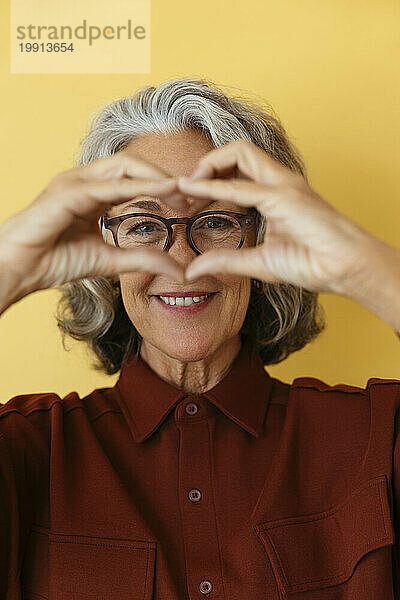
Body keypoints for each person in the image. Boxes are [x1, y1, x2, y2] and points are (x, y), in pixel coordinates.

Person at [0, 78, 399, 600]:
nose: (183, 262)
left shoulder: (377, 437)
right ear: (102, 250)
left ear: (264, 233)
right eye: (144, 225)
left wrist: (364, 268)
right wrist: (8, 266)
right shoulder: (26, 451)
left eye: (214, 220)